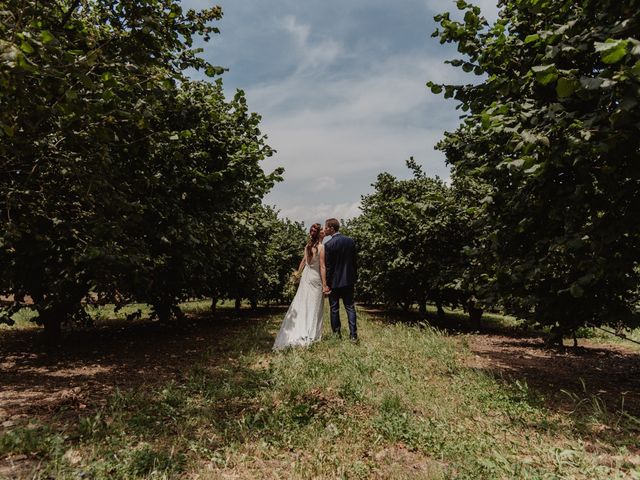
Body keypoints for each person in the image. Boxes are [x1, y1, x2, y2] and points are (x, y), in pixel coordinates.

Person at [273, 223, 328, 349]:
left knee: (303, 303)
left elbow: (303, 262)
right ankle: (311, 334)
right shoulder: (321, 247)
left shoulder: (307, 246)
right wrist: (324, 284)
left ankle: (301, 328)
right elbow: (322, 266)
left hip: (306, 277)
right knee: (314, 306)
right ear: (319, 233)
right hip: (315, 278)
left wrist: (298, 274)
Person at [323, 218, 358, 341]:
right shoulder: (350, 241)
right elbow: (354, 262)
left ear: (332, 228)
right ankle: (353, 336)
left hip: (335, 282)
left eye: (326, 227)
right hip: (349, 280)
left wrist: (326, 284)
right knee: (350, 308)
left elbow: (329, 267)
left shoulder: (328, 245)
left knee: (334, 309)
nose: (325, 229)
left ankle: (337, 336)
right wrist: (354, 277)